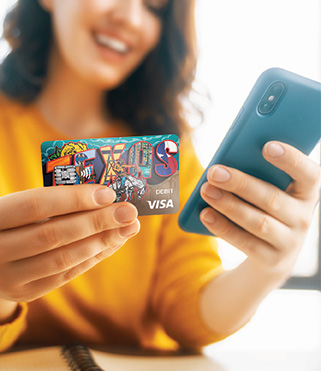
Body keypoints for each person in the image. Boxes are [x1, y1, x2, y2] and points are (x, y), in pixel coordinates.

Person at [0, 0, 320, 353]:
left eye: (155, 7)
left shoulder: (169, 156)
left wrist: (268, 268)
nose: (130, 18)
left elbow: (189, 308)